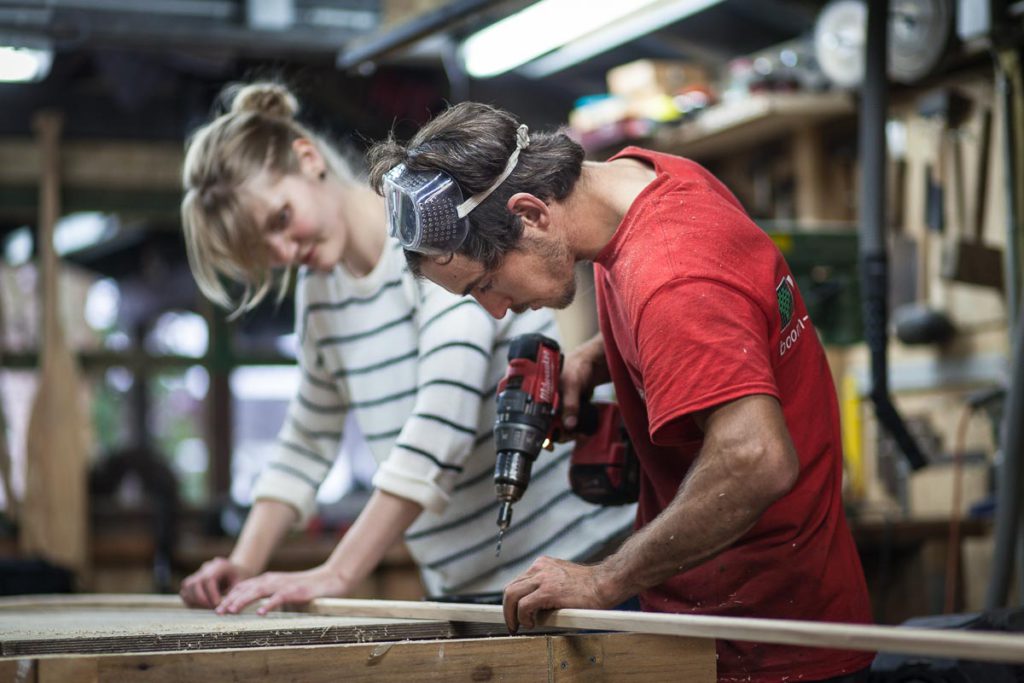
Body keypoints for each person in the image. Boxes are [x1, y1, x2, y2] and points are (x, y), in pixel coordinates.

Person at [366, 102, 875, 683]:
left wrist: (602, 580)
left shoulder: (672, 275)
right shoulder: (650, 177)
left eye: (484, 283)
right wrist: (595, 359)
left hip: (765, 645)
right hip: (740, 618)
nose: (496, 308)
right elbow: (722, 321)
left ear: (530, 214)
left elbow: (755, 459)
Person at [177, 83, 635, 615]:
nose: (284, 251)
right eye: (264, 251)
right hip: (467, 590)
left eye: (279, 220)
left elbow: (443, 419)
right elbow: (307, 438)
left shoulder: (432, 234)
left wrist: (338, 571)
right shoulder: (319, 294)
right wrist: (245, 563)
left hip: (578, 561)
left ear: (307, 159)